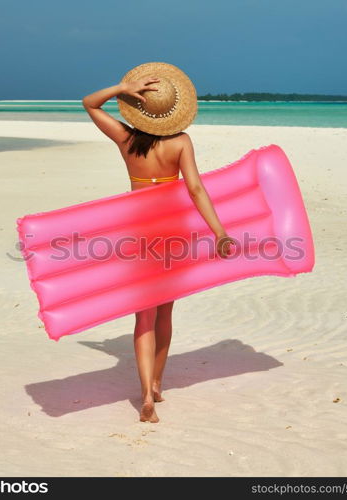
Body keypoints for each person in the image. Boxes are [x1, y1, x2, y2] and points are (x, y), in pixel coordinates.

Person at [82, 62, 235, 423]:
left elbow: (89, 103)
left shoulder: (126, 139)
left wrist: (123, 88)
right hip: (172, 235)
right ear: (172, 111)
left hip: (137, 235)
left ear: (139, 108)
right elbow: (196, 189)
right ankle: (155, 386)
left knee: (143, 318)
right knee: (165, 311)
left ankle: (144, 397)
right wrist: (220, 231)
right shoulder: (180, 142)